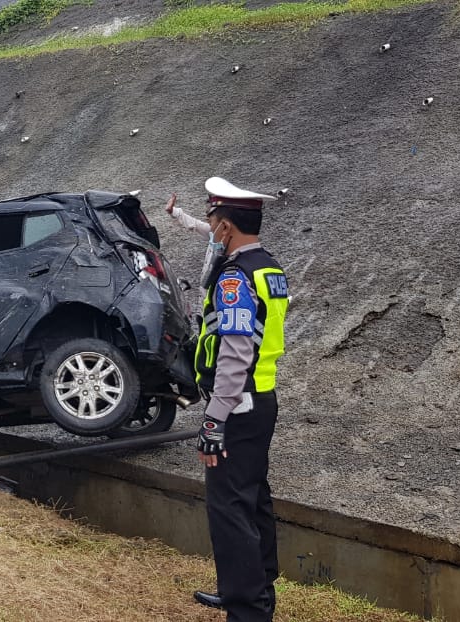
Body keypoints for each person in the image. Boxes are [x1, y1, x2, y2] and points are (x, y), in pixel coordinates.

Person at [187, 177, 289, 622]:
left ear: (226, 227)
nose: (209, 228)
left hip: (238, 403)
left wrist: (214, 420)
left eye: (212, 220)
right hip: (261, 398)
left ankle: (247, 609)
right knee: (252, 498)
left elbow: (235, 352)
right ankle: (253, 589)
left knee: (229, 508)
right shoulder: (269, 267)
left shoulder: (234, 277)